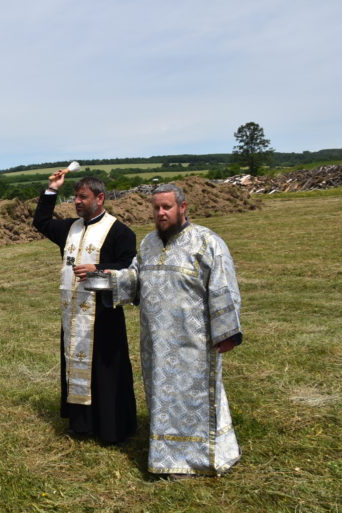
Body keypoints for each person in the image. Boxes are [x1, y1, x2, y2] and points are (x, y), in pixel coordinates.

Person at [108, 183, 242, 477]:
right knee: (162, 398)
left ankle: (197, 459)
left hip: (193, 341)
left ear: (183, 207)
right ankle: (166, 458)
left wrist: (227, 332)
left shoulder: (206, 243)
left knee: (195, 398)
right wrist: (113, 279)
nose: (160, 213)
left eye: (166, 207)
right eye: (156, 208)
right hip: (156, 341)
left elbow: (223, 287)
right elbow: (136, 278)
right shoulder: (148, 243)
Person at [33, 169, 137, 444]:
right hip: (73, 313)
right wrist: (52, 190)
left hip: (104, 314)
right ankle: (82, 425)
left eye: (83, 197)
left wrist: (98, 268)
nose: (77, 202)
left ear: (100, 198)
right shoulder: (70, 228)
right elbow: (41, 221)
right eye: (75, 197)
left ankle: (110, 427)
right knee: (75, 366)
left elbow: (130, 267)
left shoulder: (119, 231)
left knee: (105, 369)